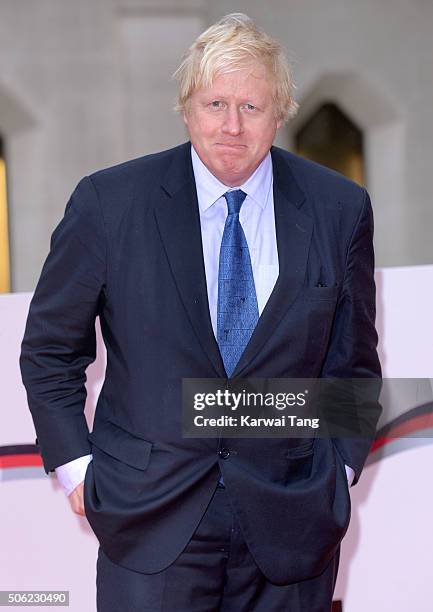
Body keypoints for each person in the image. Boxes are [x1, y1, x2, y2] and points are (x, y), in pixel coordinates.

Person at [20, 12, 381, 612]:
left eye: (251, 107)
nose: (232, 126)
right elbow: (51, 350)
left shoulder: (337, 208)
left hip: (293, 524)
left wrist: (337, 474)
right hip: (149, 518)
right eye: (215, 104)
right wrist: (76, 470)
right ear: (186, 107)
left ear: (281, 111)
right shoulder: (110, 204)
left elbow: (353, 363)